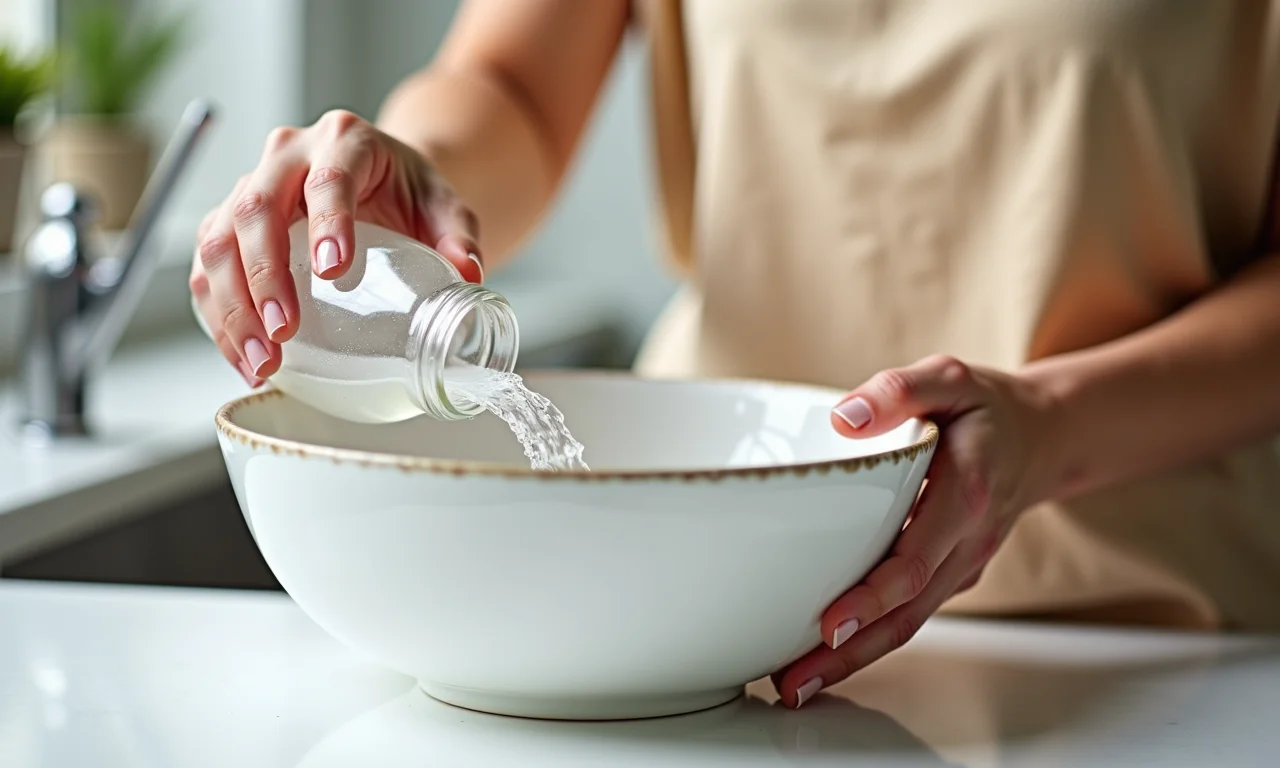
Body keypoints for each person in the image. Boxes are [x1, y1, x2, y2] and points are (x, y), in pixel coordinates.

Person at [189, 0, 1280, 708]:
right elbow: (512, 87)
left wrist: (1053, 424)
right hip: (691, 622)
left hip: (1143, 641)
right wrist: (415, 172)